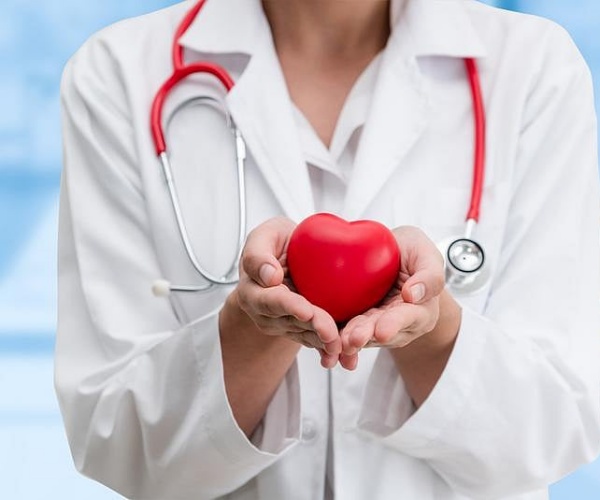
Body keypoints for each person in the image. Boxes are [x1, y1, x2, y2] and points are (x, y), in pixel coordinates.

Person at [55, 0, 600, 498]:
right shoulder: (118, 74)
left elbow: (554, 431)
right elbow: (117, 444)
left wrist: (431, 330)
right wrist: (254, 326)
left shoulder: (534, 70)